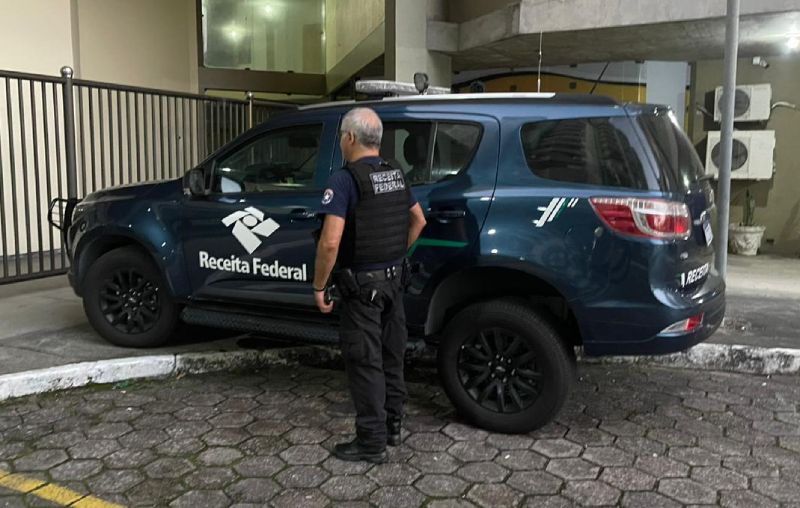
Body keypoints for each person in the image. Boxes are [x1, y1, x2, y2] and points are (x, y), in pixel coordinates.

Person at [313, 107, 427, 463]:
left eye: (340, 137)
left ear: (350, 138)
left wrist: (319, 286)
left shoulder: (344, 180)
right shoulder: (395, 173)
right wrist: (393, 254)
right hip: (394, 283)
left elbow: (330, 242)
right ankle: (393, 427)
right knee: (392, 358)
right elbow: (419, 221)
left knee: (365, 363)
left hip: (362, 289)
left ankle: (371, 442)